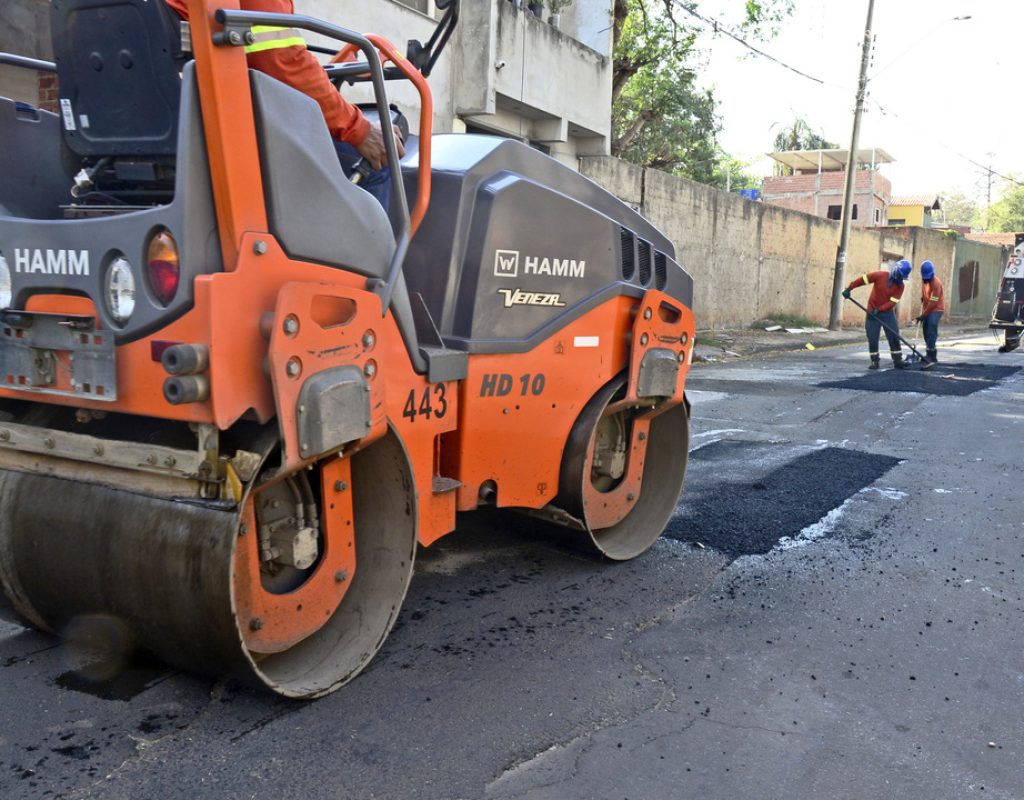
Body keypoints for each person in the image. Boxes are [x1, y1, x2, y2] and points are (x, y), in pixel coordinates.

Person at [164, 0, 404, 209]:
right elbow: (280, 63)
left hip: (180, 121)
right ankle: (362, 262)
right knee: (378, 162)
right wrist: (359, 129)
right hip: (228, 128)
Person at [842, 259, 913, 370]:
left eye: (902, 277)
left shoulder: (900, 286)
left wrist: (880, 309)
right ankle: (875, 361)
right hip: (872, 311)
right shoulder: (880, 275)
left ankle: (897, 360)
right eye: (899, 275)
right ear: (895, 270)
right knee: (872, 337)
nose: (900, 278)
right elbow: (863, 280)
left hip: (887, 313)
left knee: (894, 335)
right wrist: (850, 288)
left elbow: (892, 302)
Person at [914, 259, 945, 365]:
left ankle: (930, 354)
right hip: (928, 307)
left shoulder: (936, 283)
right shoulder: (925, 280)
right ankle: (932, 354)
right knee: (925, 329)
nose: (926, 279)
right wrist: (923, 297)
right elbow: (926, 293)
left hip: (937, 309)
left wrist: (923, 315)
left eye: (927, 277)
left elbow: (933, 302)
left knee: (931, 326)